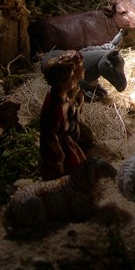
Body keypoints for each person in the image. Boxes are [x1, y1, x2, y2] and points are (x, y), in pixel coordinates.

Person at [39, 50, 87, 181]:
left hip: (66, 137)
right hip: (59, 142)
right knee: (68, 166)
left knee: (77, 160)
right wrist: (59, 155)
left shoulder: (64, 96)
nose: (72, 80)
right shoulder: (55, 105)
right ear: (61, 81)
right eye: (70, 78)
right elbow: (50, 133)